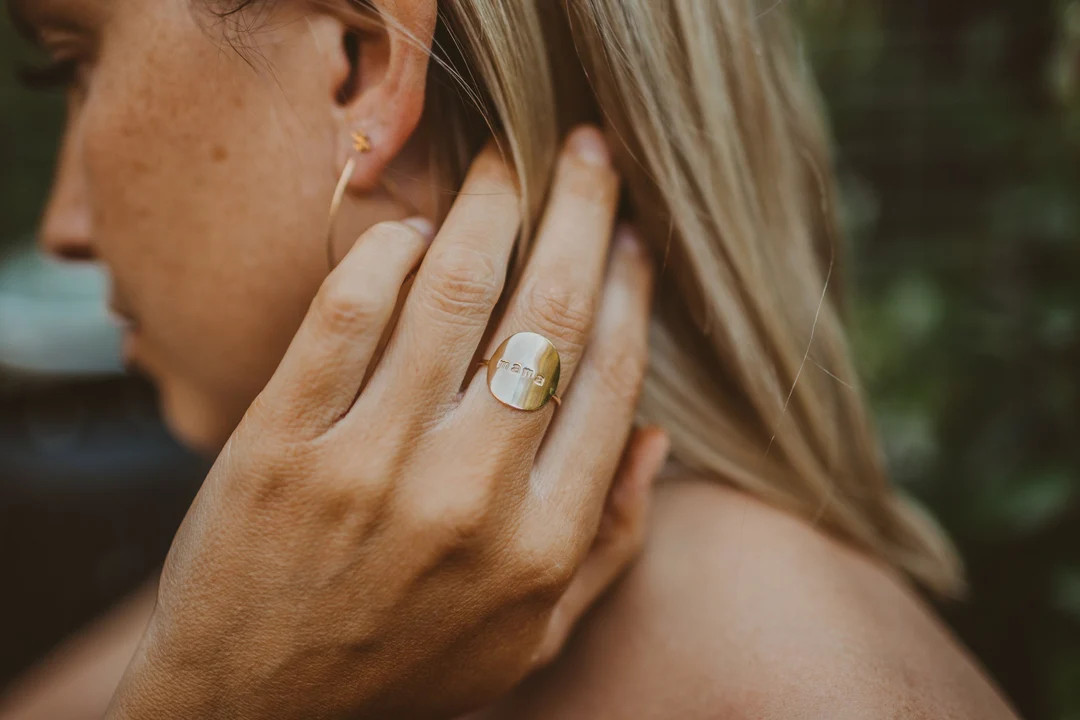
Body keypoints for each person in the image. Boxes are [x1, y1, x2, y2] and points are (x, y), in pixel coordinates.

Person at [0, 0, 1020, 717]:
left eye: (76, 63)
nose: (63, 228)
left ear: (361, 65)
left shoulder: (809, 693)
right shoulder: (291, 598)